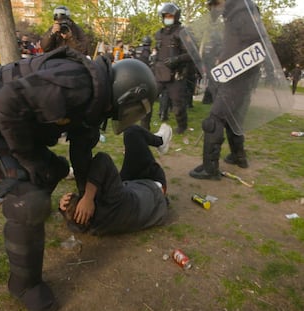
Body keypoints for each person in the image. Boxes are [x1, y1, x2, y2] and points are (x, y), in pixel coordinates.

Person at [0, 48, 157, 311]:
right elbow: (6, 103)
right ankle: (24, 284)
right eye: (135, 108)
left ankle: (22, 206)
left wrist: (86, 197)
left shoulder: (96, 97)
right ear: (128, 93)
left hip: (8, 124)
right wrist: (29, 162)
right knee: (30, 202)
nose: (130, 115)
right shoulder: (79, 84)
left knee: (55, 169)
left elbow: (81, 151)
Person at [189, 0, 262, 180]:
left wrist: (230, 64)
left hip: (237, 78)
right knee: (232, 118)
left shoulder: (240, 11)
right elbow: (238, 45)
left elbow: (255, 45)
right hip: (240, 77)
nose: (212, 7)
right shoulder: (236, 11)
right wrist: (222, 58)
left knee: (214, 120)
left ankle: (210, 168)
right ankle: (239, 157)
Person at [59, 124, 171, 236]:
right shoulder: (112, 200)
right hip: (154, 189)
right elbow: (103, 159)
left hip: (130, 191)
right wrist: (88, 198)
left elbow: (75, 220)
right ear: (89, 210)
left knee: (89, 176)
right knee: (132, 132)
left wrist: (63, 207)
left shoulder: (94, 223)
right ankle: (161, 141)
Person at [148, 3, 192, 134]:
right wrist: (153, 58)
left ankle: (182, 126)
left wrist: (177, 59)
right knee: (148, 100)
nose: (167, 18)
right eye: (165, 16)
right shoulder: (159, 34)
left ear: (176, 16)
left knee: (178, 105)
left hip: (176, 74)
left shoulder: (182, 32)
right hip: (159, 73)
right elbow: (158, 50)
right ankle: (144, 126)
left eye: (170, 16)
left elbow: (191, 54)